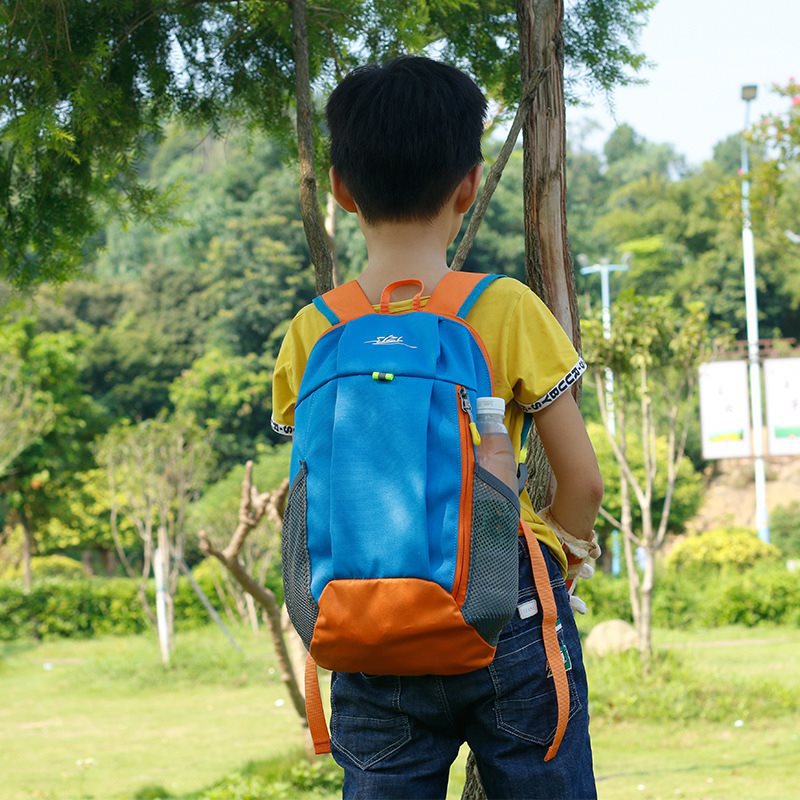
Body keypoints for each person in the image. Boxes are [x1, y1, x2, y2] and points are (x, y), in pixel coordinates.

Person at [271, 55, 603, 800]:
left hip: (365, 622)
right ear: (470, 185)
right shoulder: (505, 306)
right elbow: (583, 481)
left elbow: (312, 497)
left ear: (341, 190)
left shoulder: (311, 332)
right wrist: (560, 562)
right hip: (503, 607)